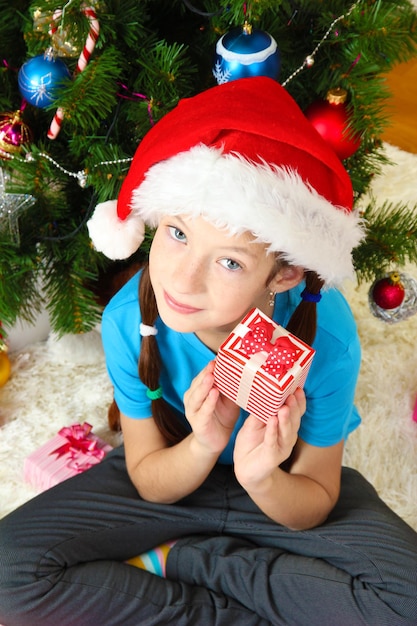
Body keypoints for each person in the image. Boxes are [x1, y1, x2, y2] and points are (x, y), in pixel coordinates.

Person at [0, 76, 416, 626]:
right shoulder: (130, 319)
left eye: (230, 262)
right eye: (176, 234)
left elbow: (315, 495)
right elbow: (150, 478)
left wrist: (263, 476)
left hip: (280, 487)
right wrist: (203, 444)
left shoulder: (328, 336)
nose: (184, 280)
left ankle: (189, 561)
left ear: (284, 273)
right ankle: (235, 587)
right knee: (7, 579)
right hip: (170, 475)